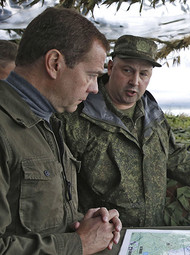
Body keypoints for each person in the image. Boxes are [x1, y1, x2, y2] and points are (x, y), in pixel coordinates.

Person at [59, 35, 190, 227]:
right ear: (110, 68)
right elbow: (60, 189)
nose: (135, 81)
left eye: (144, 74)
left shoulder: (151, 112)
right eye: (127, 70)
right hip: (104, 240)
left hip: (151, 233)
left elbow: (174, 156)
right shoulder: (78, 116)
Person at [0, 7, 122, 254]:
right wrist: (79, 243)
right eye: (91, 75)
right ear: (55, 63)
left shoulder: (46, 124)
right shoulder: (5, 130)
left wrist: (84, 225)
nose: (95, 89)